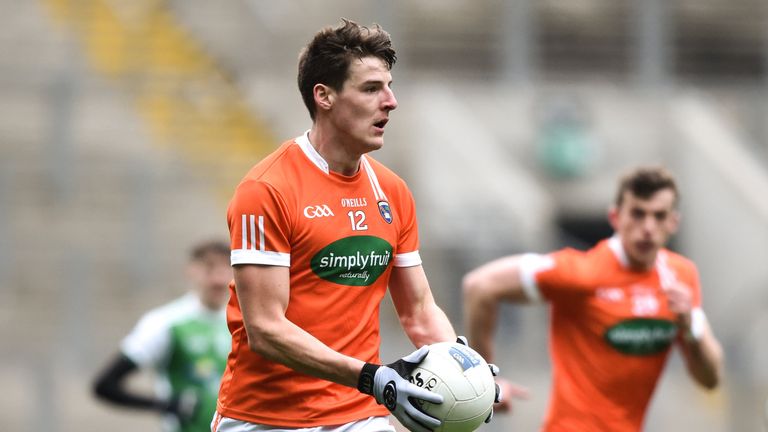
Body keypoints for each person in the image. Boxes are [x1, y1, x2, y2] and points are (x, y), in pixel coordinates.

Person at [213, 19, 499, 432]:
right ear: (324, 96)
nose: (391, 101)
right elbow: (266, 329)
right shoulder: (266, 189)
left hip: (357, 416)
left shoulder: (393, 190)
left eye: (389, 86)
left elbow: (419, 310)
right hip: (264, 418)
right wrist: (371, 376)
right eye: (371, 89)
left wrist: (462, 371)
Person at [463, 166, 723, 431]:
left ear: (673, 223)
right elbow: (480, 286)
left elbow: (711, 379)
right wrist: (484, 384)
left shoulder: (681, 276)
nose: (647, 227)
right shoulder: (582, 272)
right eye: (637, 213)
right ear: (615, 217)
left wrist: (690, 327)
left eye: (658, 216)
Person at [93, 240, 232, 432]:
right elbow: (105, 385)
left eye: (227, 268)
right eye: (210, 268)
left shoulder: (247, 321)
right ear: (191, 270)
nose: (219, 278)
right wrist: (166, 405)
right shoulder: (165, 322)